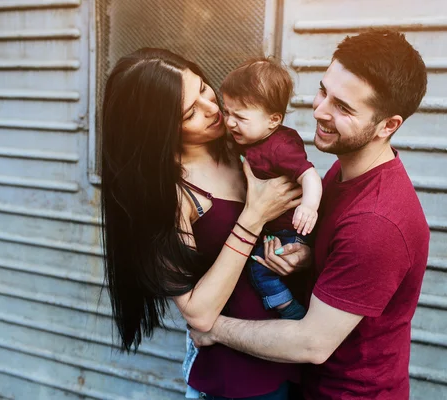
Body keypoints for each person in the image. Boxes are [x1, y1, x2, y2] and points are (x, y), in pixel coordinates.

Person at [190, 29, 430, 400]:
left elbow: (312, 343)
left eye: (344, 107)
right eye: (323, 91)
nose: (319, 110)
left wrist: (213, 329)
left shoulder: (378, 222)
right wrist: (307, 257)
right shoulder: (343, 172)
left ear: (388, 126)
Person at [100, 48, 311, 400]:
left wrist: (303, 256)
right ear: (159, 129)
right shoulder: (168, 195)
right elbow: (197, 311)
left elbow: (293, 220)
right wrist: (253, 217)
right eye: (190, 113)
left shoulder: (242, 144)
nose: (213, 109)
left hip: (290, 356)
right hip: (237, 380)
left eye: (202, 88)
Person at [220, 58, 322, 320]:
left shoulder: (280, 148)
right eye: (227, 112)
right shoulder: (250, 137)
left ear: (273, 120)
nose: (230, 123)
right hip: (271, 226)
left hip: (288, 230)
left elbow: (309, 175)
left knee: (260, 269)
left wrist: (309, 207)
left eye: (240, 117)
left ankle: (290, 310)